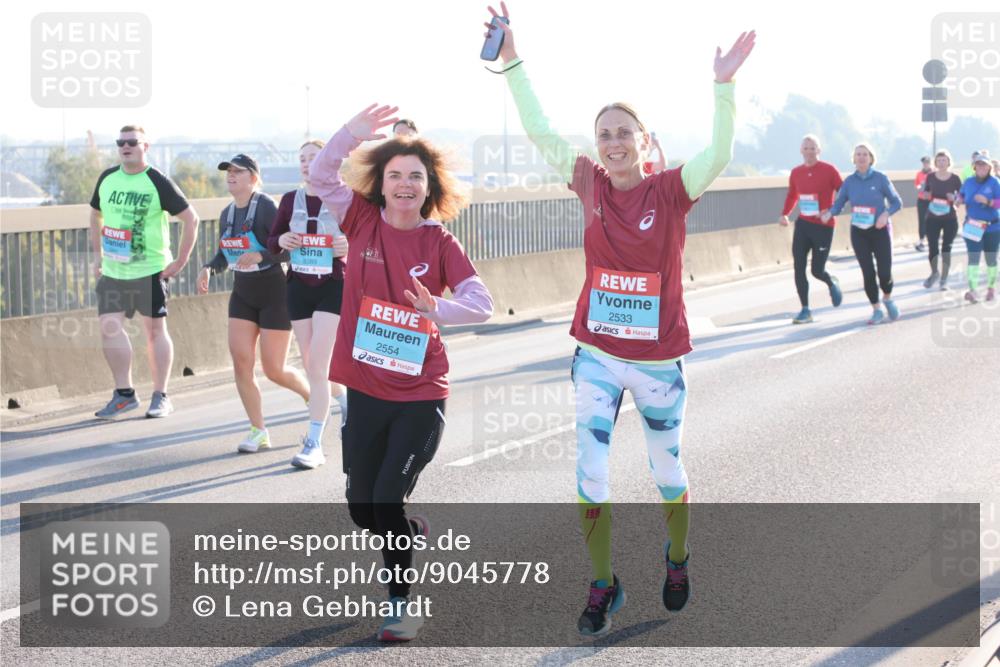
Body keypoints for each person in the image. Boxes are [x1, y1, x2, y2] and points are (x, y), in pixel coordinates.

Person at [483, 1, 754, 636]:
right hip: (598, 355)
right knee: (590, 470)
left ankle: (678, 559)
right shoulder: (588, 182)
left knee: (668, 471)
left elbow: (719, 150)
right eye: (602, 133)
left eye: (622, 133)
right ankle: (604, 582)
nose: (610, 142)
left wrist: (724, 86)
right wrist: (512, 62)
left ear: (644, 142)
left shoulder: (671, 191)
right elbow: (539, 128)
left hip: (659, 362)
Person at [310, 104, 493, 641]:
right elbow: (321, 176)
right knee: (363, 511)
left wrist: (436, 309)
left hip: (419, 397)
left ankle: (400, 606)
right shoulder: (359, 220)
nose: (405, 184)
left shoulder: (438, 242)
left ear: (429, 185)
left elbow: (480, 302)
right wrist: (351, 134)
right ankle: (407, 530)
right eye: (395, 175)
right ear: (381, 185)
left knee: (386, 498)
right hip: (365, 391)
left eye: (416, 175)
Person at [197, 154, 310, 452]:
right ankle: (258, 430)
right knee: (241, 362)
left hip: (274, 293)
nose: (231, 176)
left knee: (274, 369)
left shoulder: (266, 208)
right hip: (243, 295)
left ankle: (312, 395)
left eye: (238, 171)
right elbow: (226, 253)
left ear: (254, 178)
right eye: (228, 172)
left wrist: (261, 255)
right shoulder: (227, 214)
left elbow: (288, 249)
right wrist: (209, 267)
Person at [90, 125, 199, 419]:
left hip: (150, 270)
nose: (125, 147)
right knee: (109, 327)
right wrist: (98, 255)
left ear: (145, 146)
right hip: (114, 269)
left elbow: (191, 219)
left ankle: (161, 395)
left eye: (132, 142)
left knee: (154, 332)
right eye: (121, 142)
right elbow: (95, 215)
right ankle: (124, 393)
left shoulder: (157, 181)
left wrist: (180, 261)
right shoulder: (107, 178)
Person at [268, 140, 351, 469]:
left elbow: (365, 240)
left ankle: (314, 443)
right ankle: (345, 401)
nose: (306, 164)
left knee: (316, 366)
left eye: (313, 158)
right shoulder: (290, 200)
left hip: (332, 287)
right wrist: (283, 241)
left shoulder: (345, 200)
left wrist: (348, 245)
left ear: (328, 163)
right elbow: (273, 242)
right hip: (298, 288)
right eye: (301, 159)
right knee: (313, 363)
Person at [823, 143, 903, 325]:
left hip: (880, 230)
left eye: (864, 154)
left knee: (884, 272)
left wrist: (885, 214)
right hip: (859, 231)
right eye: (858, 154)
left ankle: (888, 298)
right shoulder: (849, 182)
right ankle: (876, 309)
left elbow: (897, 202)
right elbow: (839, 202)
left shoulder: (881, 178)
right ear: (854, 159)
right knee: (867, 272)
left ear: (871, 158)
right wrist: (830, 213)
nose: (861, 157)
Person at [779, 134, 844, 323]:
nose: (809, 152)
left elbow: (844, 192)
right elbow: (792, 195)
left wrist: (831, 211)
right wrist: (785, 214)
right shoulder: (796, 172)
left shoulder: (829, 170)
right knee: (798, 267)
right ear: (801, 151)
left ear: (819, 150)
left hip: (823, 226)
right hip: (803, 225)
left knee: (817, 270)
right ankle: (805, 310)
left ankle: (831, 281)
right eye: (806, 148)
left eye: (812, 148)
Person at [957, 151, 1000, 303]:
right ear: (974, 167)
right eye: (979, 165)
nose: (981, 167)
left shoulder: (995, 183)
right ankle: (973, 290)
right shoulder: (968, 182)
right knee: (973, 258)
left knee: (991, 260)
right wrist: (957, 200)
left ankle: (991, 288)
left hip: (992, 227)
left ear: (989, 168)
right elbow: (961, 195)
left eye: (984, 165)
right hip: (973, 225)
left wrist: (988, 202)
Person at [918, 150, 961, 290]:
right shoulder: (930, 177)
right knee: (932, 248)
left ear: (949, 162)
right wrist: (926, 194)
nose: (942, 163)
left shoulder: (955, 178)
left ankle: (944, 278)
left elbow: (962, 198)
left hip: (950, 218)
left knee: (946, 248)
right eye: (939, 160)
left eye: (944, 160)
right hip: (933, 218)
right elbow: (923, 193)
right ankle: (934, 273)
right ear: (935, 163)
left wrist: (954, 199)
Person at [914, 156, 932, 251]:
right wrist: (919, 187)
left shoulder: (933, 174)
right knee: (921, 220)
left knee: (931, 220)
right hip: (921, 200)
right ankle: (922, 240)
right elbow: (916, 184)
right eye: (924, 162)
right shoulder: (919, 174)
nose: (926, 164)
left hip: (931, 200)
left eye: (927, 162)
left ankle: (931, 239)